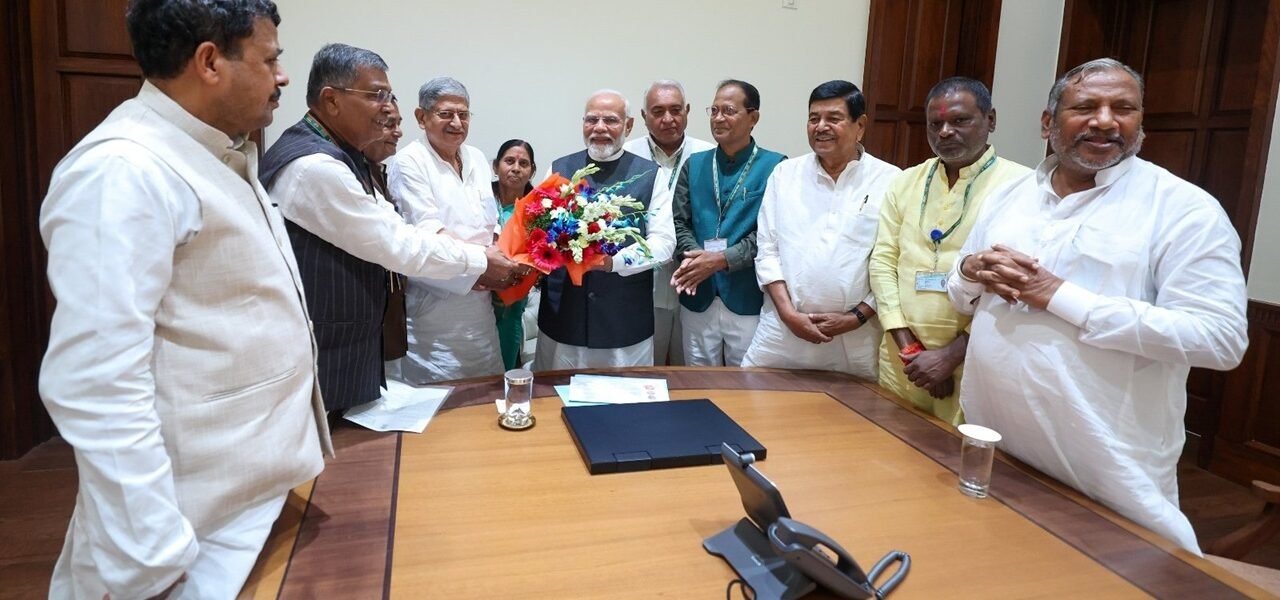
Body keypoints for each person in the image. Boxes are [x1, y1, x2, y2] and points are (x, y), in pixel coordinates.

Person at [38, 1, 330, 597]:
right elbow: (97, 384)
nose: (281, 77)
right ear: (209, 63)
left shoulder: (217, 149)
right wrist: (152, 560)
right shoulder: (123, 169)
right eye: (271, 59)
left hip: (253, 499)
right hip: (187, 533)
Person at [947, 58, 1248, 554]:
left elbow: (1220, 339)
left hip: (1107, 476)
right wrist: (969, 273)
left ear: (1140, 122)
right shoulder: (1010, 196)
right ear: (1048, 123)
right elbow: (961, 293)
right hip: (1000, 454)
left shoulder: (1183, 209)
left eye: (1123, 108)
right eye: (1086, 107)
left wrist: (1060, 296)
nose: (1106, 121)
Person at [261, 46, 521, 412]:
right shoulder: (315, 166)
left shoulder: (347, 158)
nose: (386, 107)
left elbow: (394, 226)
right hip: (334, 347)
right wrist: (482, 261)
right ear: (331, 101)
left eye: (388, 95)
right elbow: (399, 243)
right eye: (376, 95)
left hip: (468, 307)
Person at [868, 78, 1029, 425]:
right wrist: (911, 351)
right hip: (903, 360)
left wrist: (949, 357)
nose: (944, 131)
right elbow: (882, 263)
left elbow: (1015, 289)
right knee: (889, 455)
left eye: (959, 121)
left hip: (975, 360)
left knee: (954, 464)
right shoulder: (906, 181)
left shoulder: (1022, 188)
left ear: (991, 120)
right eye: (935, 123)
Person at [742, 80, 901, 378]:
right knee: (758, 398)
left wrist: (856, 317)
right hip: (782, 329)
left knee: (854, 415)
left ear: (860, 125)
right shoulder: (785, 175)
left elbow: (895, 262)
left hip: (855, 337)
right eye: (814, 118)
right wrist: (789, 315)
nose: (821, 126)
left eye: (834, 118)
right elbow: (767, 249)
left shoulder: (891, 181)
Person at [531, 89, 675, 370]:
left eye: (610, 120)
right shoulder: (559, 168)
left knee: (624, 406)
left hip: (623, 317)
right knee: (558, 398)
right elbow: (537, 226)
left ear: (628, 125)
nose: (599, 128)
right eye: (591, 120)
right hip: (564, 316)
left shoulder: (652, 174)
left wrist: (613, 262)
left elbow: (664, 243)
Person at [387, 77, 505, 382]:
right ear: (421, 117)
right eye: (445, 114)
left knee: (486, 399)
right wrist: (483, 265)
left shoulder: (477, 158)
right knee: (441, 409)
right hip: (434, 318)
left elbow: (491, 223)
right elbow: (427, 234)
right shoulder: (409, 162)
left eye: (463, 115)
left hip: (481, 312)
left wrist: (500, 250)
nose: (456, 123)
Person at [670, 79, 785, 366]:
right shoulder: (694, 164)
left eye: (729, 111)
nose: (719, 118)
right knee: (697, 380)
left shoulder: (777, 167)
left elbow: (773, 233)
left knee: (746, 382)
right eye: (714, 110)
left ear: (753, 117)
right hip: (698, 292)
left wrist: (722, 259)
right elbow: (678, 222)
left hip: (747, 296)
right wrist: (698, 260)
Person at [623, 80, 715, 366]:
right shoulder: (627, 156)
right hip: (641, 283)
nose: (668, 119)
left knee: (688, 368)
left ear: (687, 111)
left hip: (695, 279)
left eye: (675, 110)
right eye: (658, 111)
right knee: (645, 366)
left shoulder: (708, 154)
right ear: (643, 116)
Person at [491, 139, 538, 370]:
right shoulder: (480, 199)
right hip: (475, 292)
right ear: (495, 166)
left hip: (512, 296)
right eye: (509, 161)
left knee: (505, 364)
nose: (516, 168)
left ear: (532, 171)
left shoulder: (538, 209)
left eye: (524, 163)